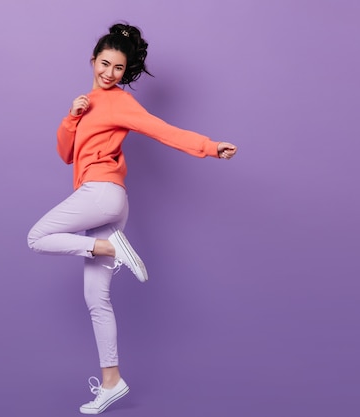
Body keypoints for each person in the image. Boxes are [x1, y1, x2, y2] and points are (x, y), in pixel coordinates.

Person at [27, 22, 237, 415]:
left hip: (101, 193)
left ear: (126, 72)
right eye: (104, 64)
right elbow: (65, 153)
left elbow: (163, 131)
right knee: (97, 298)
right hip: (107, 200)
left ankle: (111, 247)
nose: (109, 73)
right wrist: (72, 116)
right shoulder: (87, 102)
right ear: (92, 61)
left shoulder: (120, 102)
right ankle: (112, 381)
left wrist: (210, 147)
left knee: (36, 237)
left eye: (118, 68)